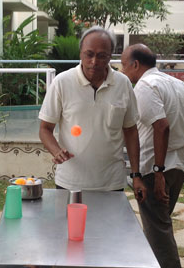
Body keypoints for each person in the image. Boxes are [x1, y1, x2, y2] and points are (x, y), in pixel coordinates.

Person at [120, 44, 184, 268]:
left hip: (158, 169)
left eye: (122, 63)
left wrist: (156, 172)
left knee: (159, 231)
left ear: (134, 65)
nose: (120, 69)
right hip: (178, 165)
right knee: (156, 226)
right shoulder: (177, 84)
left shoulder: (144, 86)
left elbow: (161, 126)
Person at [38, 26, 145, 199]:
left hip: (112, 182)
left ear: (111, 56)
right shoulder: (62, 82)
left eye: (102, 56)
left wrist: (136, 174)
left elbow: (131, 131)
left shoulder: (123, 84)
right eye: (89, 54)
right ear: (80, 53)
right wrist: (56, 151)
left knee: (109, 227)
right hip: (70, 183)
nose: (94, 62)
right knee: (71, 226)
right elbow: (45, 129)